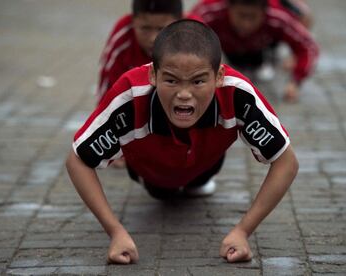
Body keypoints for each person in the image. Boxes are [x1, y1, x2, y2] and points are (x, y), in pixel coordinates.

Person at [66, 19, 298, 264]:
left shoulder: (238, 93)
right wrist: (115, 231)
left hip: (206, 162)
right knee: (162, 192)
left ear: (219, 76)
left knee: (198, 182)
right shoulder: (130, 95)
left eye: (198, 81)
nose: (184, 93)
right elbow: (78, 161)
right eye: (171, 81)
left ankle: (198, 180)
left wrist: (243, 231)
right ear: (153, 75)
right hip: (151, 171)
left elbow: (287, 162)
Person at [189, 0, 319, 102]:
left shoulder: (278, 15)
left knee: (302, 14)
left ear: (264, 11)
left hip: (264, 49)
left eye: (253, 17)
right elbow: (187, 32)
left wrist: (296, 81)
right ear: (229, 7)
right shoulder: (211, 9)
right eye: (241, 15)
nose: (246, 24)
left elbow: (308, 46)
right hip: (226, 49)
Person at [97, 0, 183, 102]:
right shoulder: (123, 36)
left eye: (161, 29)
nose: (153, 38)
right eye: (145, 28)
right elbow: (106, 97)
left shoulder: (195, 37)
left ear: (179, 22)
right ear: (133, 21)